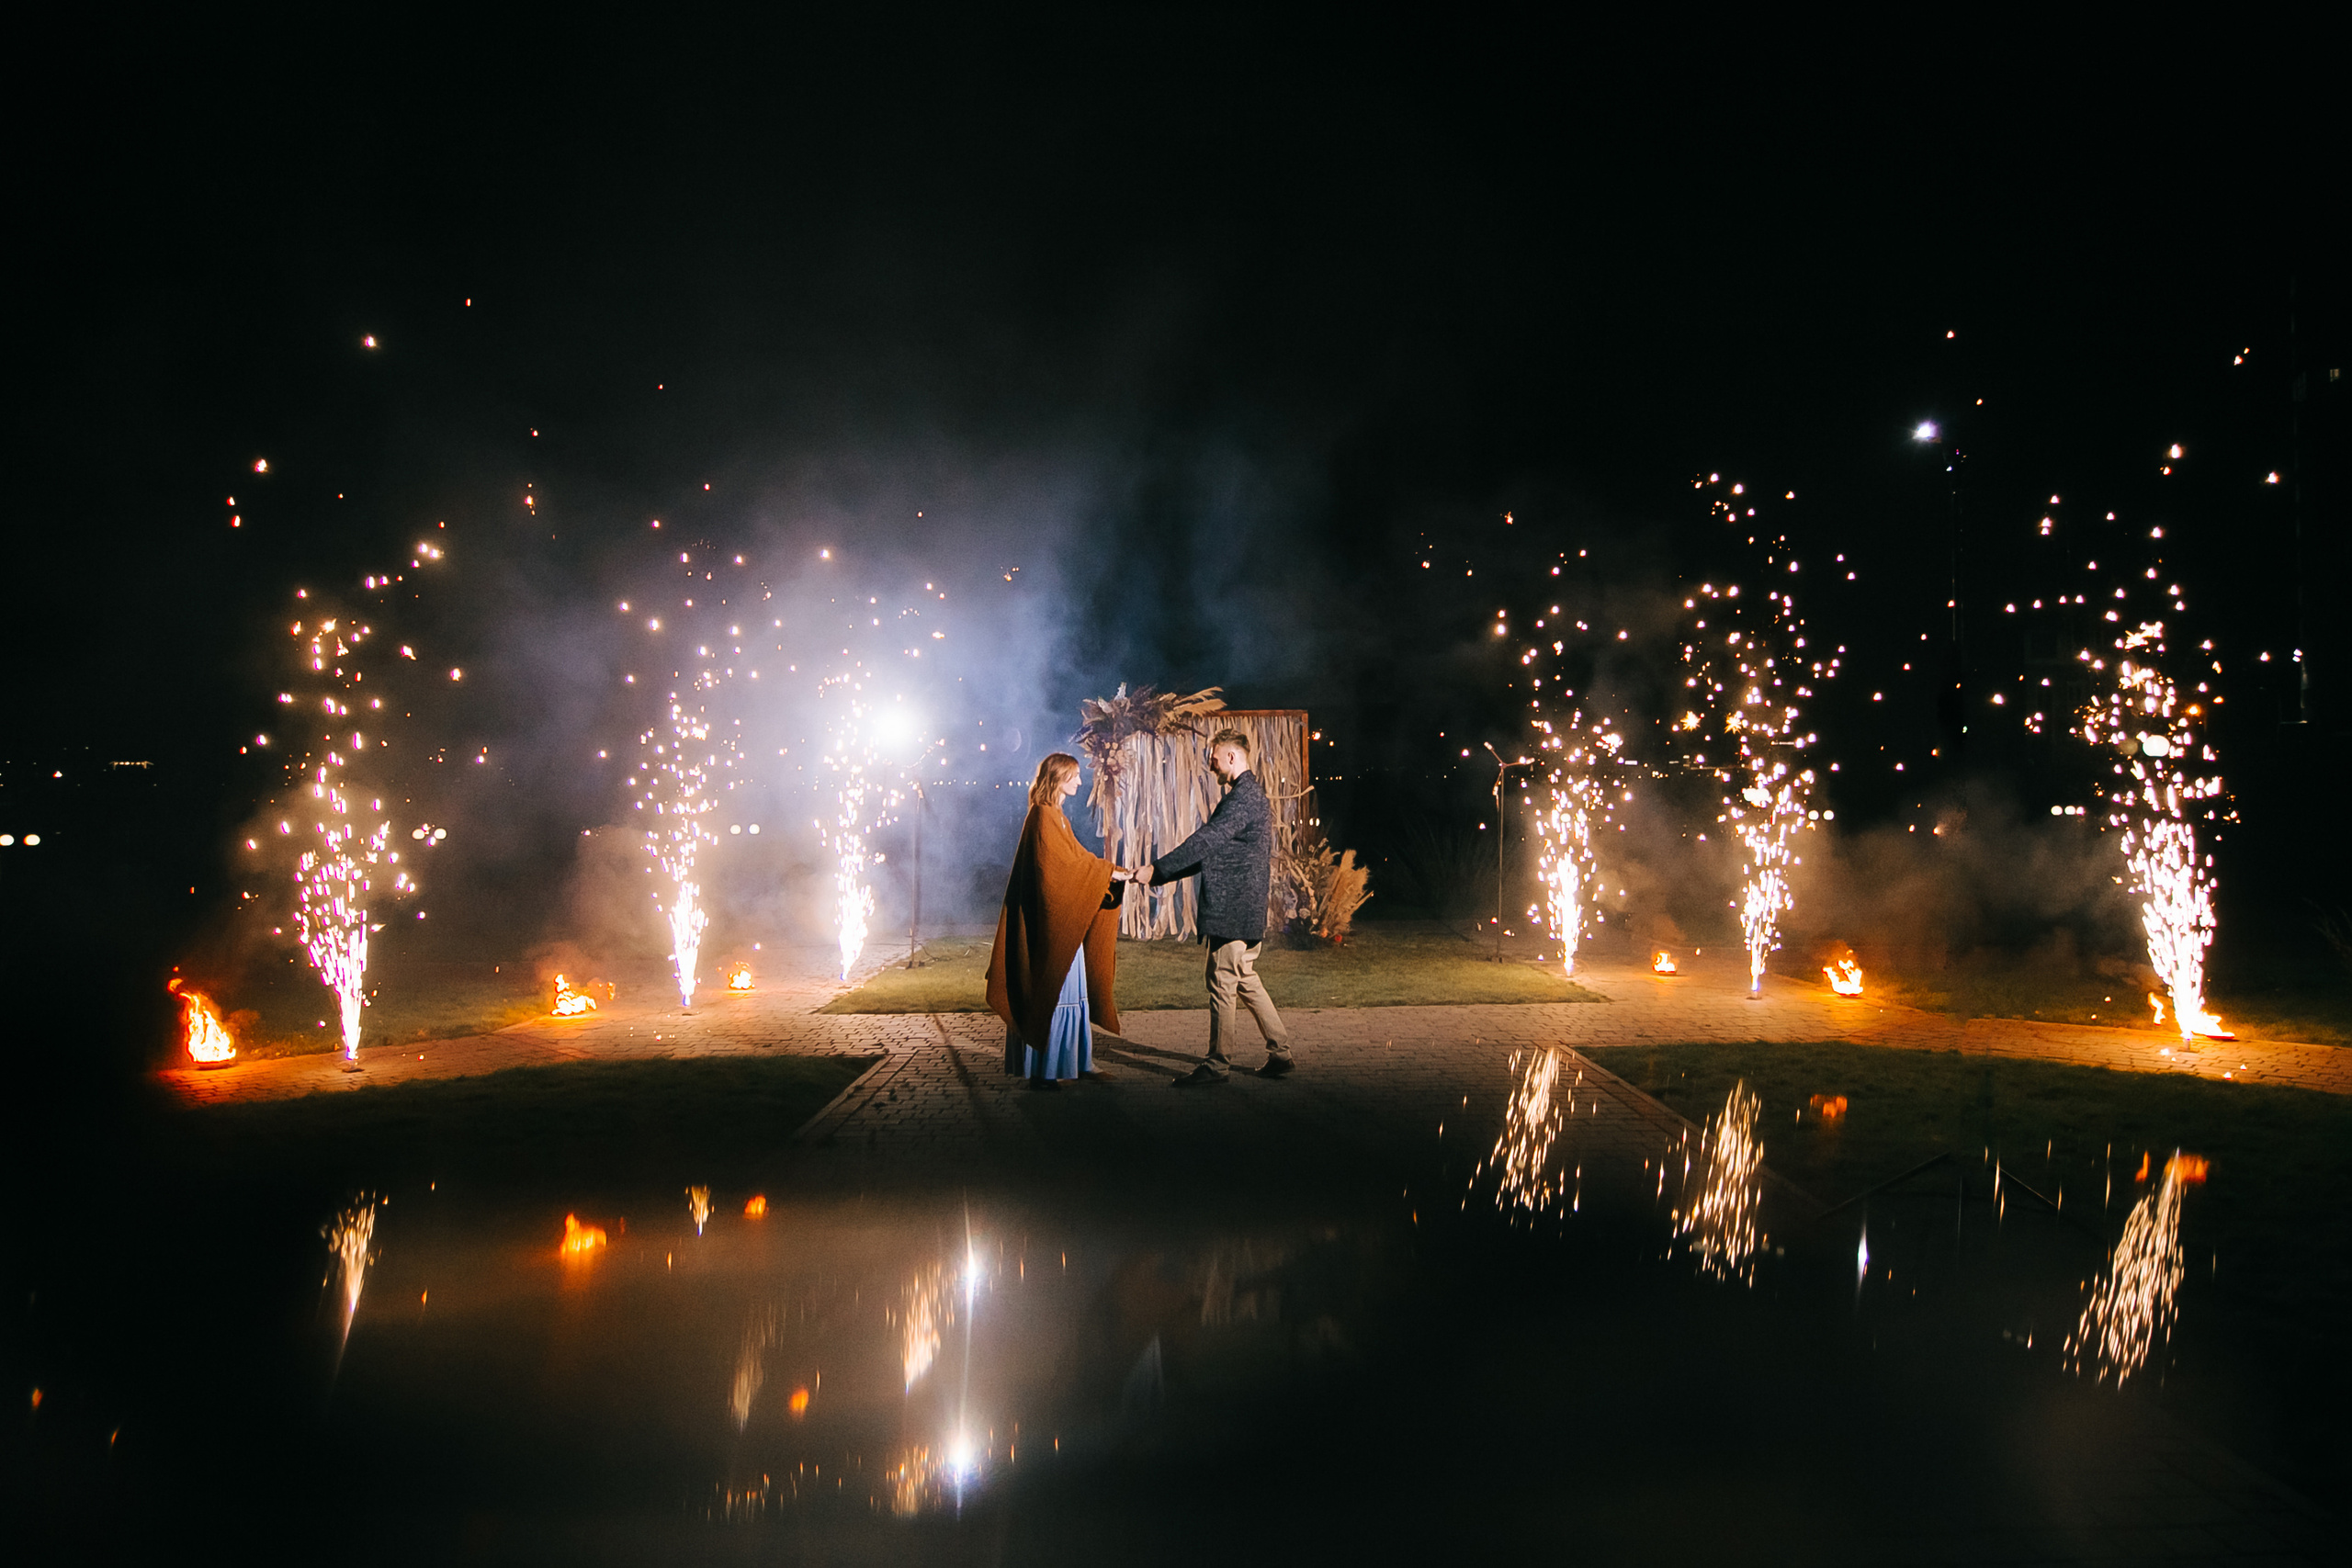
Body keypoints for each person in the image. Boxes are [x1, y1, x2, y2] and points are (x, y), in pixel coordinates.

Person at [1133, 727, 1294, 1086]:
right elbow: (1212, 850)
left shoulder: (1243, 798)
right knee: (1244, 979)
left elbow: (1204, 841)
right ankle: (1280, 1053)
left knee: (1222, 980)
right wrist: (1157, 875)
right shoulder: (1247, 795)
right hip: (1243, 909)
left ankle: (1217, 1065)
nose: (1211, 766)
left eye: (1215, 759)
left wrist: (1156, 868)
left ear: (1232, 757)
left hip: (1232, 910)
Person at [986, 751, 1129, 1089]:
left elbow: (1078, 859)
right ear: (1059, 779)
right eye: (1075, 776)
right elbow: (1056, 872)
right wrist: (1105, 872)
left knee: (1073, 995)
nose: (1080, 781)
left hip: (1064, 924)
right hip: (1047, 929)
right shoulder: (1042, 817)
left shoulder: (1058, 817)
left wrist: (1112, 873)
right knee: (1052, 992)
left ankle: (1080, 1062)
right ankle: (1044, 1072)